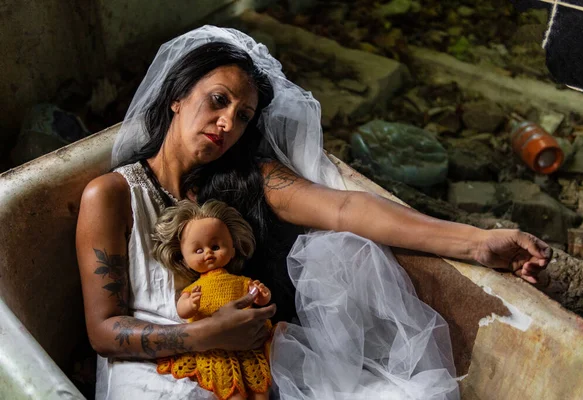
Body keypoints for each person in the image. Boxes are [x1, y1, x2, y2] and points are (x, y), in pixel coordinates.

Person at [75, 26, 552, 399]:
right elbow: (102, 331)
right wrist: (206, 337)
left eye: (243, 117)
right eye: (218, 100)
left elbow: (347, 207)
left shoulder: (247, 181)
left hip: (249, 377)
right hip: (150, 380)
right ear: (177, 96)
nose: (227, 123)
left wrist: (477, 241)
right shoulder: (112, 195)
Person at [152, 199, 273, 400]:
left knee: (260, 387)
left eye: (215, 246)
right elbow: (182, 311)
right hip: (215, 349)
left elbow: (258, 300)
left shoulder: (242, 281)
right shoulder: (192, 289)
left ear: (233, 249)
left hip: (248, 343)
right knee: (231, 390)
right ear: (183, 259)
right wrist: (190, 305)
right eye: (198, 250)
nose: (208, 253)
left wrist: (261, 294)